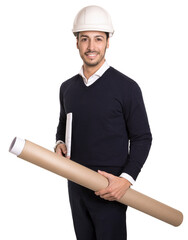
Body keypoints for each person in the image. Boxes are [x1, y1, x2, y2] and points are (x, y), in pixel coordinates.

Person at [55, 5, 152, 240]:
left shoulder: (127, 87)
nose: (91, 47)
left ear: (108, 42)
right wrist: (59, 142)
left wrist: (126, 180)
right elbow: (63, 122)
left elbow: (142, 137)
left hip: (110, 190)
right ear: (76, 42)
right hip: (76, 186)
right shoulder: (67, 88)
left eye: (98, 39)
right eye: (85, 39)